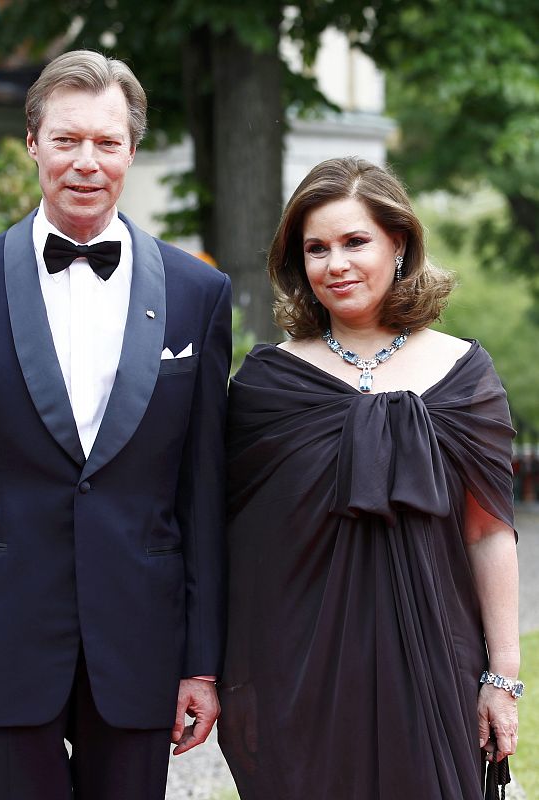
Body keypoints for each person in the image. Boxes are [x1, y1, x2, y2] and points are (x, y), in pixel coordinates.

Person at [0, 50, 232, 800]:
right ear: (33, 143)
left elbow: (202, 492)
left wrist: (201, 663)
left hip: (140, 643)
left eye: (107, 143)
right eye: (67, 139)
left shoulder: (199, 293)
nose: (87, 161)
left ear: (131, 151)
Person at [218, 157, 521, 799]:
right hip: (298, 672)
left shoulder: (465, 375)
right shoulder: (266, 384)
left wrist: (504, 675)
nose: (336, 265)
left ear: (399, 242)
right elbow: (236, 537)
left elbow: (489, 533)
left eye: (355, 241)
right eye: (316, 249)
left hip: (437, 658)